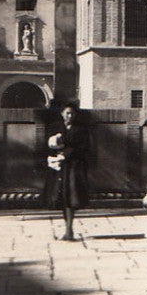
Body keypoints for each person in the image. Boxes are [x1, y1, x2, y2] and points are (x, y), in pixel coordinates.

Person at [43, 102, 90, 241]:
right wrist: (53, 154)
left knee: (71, 198)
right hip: (59, 167)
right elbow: (48, 145)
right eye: (67, 113)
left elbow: (84, 147)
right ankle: (67, 229)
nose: (70, 116)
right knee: (62, 198)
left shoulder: (81, 130)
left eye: (72, 113)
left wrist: (67, 154)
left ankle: (69, 230)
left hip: (74, 167)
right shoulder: (55, 128)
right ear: (62, 113)